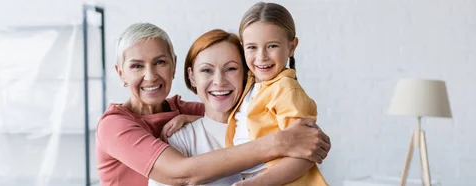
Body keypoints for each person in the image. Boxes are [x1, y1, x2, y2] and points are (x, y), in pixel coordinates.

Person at [95, 23, 332, 186]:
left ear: (174, 66)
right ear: (120, 74)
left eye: (160, 62)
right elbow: (181, 174)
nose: (151, 76)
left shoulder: (181, 110)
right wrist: (282, 141)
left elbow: (220, 111)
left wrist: (307, 131)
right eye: (136, 66)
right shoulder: (114, 125)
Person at [225, 2, 329, 185]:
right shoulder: (248, 84)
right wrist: (187, 117)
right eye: (252, 47)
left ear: (291, 47)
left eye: (272, 46)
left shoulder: (287, 90)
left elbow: (306, 154)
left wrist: (258, 183)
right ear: (242, 47)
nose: (261, 56)